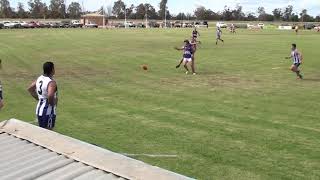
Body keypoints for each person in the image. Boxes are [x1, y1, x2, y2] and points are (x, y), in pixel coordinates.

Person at [28, 62, 58, 130]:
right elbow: (50, 95)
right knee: (49, 133)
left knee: (42, 132)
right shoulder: (51, 82)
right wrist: (52, 105)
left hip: (39, 109)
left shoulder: (40, 78)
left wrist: (39, 99)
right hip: (48, 111)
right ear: (52, 70)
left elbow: (30, 89)